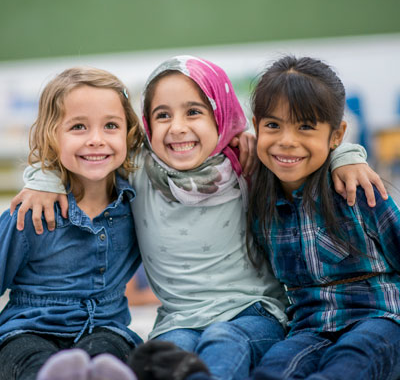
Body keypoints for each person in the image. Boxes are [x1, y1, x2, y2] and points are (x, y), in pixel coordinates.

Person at [10, 56, 386, 380]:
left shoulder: (247, 165)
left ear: (221, 116)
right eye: (162, 115)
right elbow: (88, 159)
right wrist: (42, 177)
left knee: (224, 340)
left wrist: (346, 155)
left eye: (194, 111)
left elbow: (303, 151)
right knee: (166, 354)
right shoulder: (139, 173)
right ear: (146, 127)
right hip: (177, 320)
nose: (178, 127)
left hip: (252, 313)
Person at [245, 56, 400, 379]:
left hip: (380, 320)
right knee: (272, 370)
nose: (287, 140)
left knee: (349, 362)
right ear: (256, 125)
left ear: (336, 134)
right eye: (273, 125)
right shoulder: (260, 201)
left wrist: (349, 157)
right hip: (310, 328)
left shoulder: (359, 191)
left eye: (305, 126)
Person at [0, 67, 144, 380]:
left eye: (110, 126)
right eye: (78, 126)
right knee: (27, 358)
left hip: (106, 328)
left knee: (109, 352)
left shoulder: (139, 204)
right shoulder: (31, 210)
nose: (96, 140)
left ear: (128, 133)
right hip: (28, 329)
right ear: (52, 136)